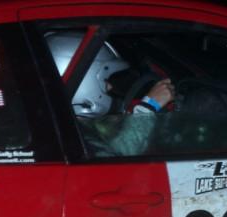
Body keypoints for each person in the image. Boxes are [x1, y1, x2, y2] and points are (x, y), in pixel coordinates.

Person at [45, 31, 176, 157]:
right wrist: (149, 105)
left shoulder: (59, 130)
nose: (110, 86)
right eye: (106, 81)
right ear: (85, 79)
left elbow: (112, 152)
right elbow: (119, 162)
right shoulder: (69, 139)